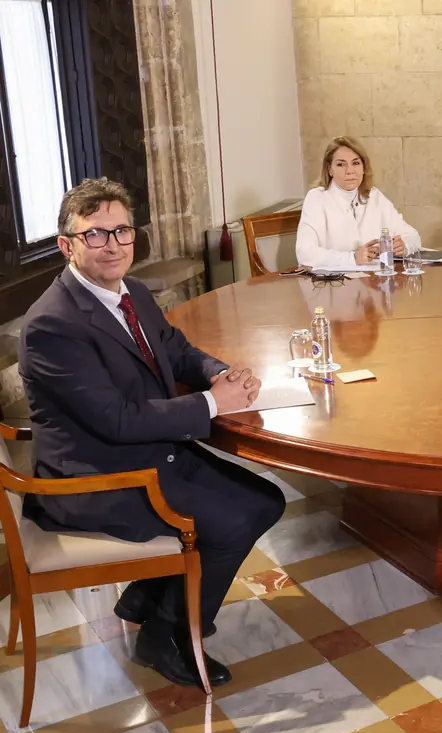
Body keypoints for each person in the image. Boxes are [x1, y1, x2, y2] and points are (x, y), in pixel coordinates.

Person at [19, 178, 287, 688]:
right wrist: (212, 404)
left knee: (266, 499)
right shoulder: (52, 326)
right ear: (66, 245)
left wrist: (220, 374)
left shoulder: (132, 291)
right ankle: (168, 636)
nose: (113, 244)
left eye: (122, 231)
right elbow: (116, 420)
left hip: (147, 453)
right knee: (235, 520)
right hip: (97, 477)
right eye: (95, 234)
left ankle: (148, 594)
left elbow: (177, 347)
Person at [296, 136, 421, 269]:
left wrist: (404, 246)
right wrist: (352, 258)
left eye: (356, 163)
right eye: (341, 164)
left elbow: (413, 236)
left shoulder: (374, 195)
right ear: (330, 169)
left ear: (363, 167)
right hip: (333, 285)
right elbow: (305, 253)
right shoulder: (317, 198)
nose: (350, 171)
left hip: (372, 283)